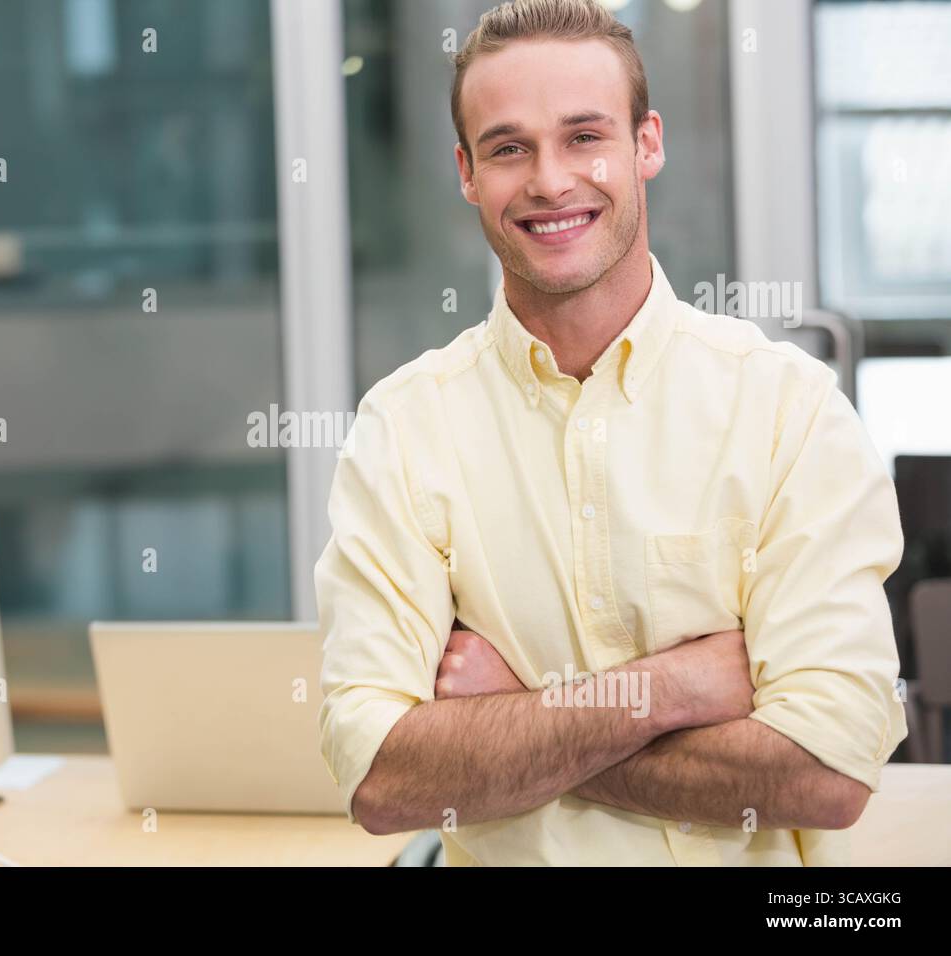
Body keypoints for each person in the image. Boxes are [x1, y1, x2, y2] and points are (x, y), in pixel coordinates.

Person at [314, 0, 906, 866]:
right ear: (468, 173)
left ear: (646, 145)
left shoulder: (790, 410)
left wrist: (523, 714)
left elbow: (826, 775)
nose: (551, 181)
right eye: (509, 147)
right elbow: (382, 781)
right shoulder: (404, 430)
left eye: (584, 135)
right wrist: (670, 689)